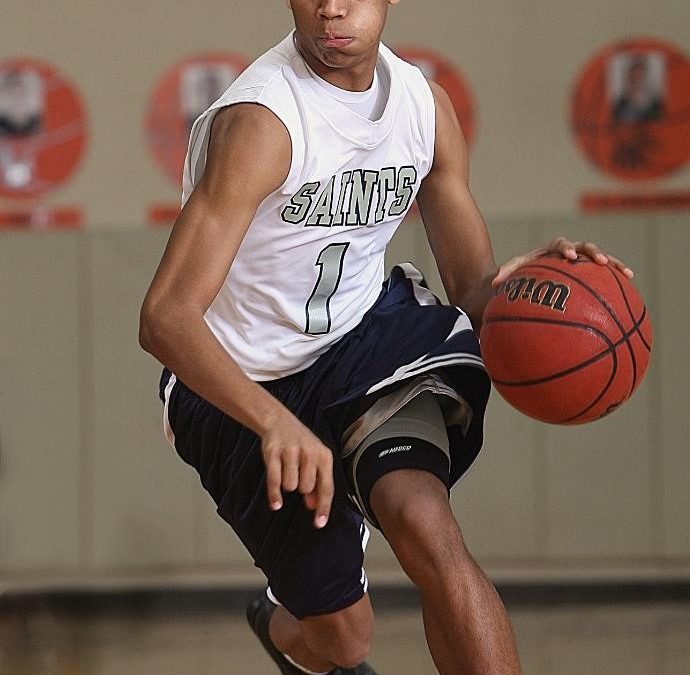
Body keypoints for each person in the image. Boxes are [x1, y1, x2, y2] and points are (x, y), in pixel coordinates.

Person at [139, 2, 632, 674]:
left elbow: (473, 288)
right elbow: (166, 317)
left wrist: (541, 286)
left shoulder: (423, 110)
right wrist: (274, 422)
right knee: (345, 639)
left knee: (426, 523)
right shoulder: (262, 122)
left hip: (363, 341)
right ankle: (279, 622)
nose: (332, 6)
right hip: (241, 381)